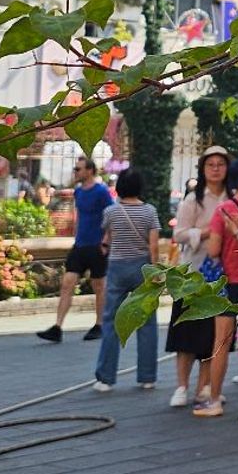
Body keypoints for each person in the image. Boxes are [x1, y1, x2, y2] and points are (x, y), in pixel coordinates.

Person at [192, 159, 238, 419]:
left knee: (221, 341)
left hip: (228, 279)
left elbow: (212, 250)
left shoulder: (224, 209)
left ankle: (214, 400)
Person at [166, 146, 230, 408]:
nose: (216, 169)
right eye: (210, 164)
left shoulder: (231, 198)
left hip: (220, 273)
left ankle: (205, 385)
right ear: (203, 169)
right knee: (185, 334)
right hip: (192, 272)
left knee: (211, 336)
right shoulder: (193, 200)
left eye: (220, 164)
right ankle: (182, 386)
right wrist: (206, 232)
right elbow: (179, 234)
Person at [92, 167, 160, 391]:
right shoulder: (150, 211)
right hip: (142, 268)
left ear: (120, 187)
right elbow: (154, 246)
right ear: (140, 187)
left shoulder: (111, 211)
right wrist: (156, 271)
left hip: (117, 267)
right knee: (147, 322)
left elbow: (108, 238)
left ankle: (106, 378)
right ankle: (147, 376)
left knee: (111, 321)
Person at [36, 156, 113, 345]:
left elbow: (112, 215)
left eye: (78, 169)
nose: (75, 172)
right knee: (67, 283)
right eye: (75, 169)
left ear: (90, 171)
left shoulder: (101, 192)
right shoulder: (78, 192)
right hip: (80, 245)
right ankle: (57, 327)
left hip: (97, 245)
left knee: (99, 286)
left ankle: (99, 324)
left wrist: (106, 240)